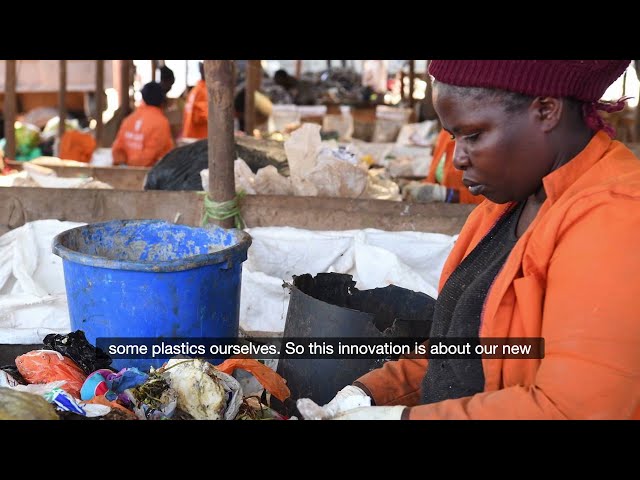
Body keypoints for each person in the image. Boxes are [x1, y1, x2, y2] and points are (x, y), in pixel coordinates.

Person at [297, 60, 640, 420]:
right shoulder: (504, 208)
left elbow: (577, 408)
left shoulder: (615, 216)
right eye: (452, 136)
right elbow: (457, 351)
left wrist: (402, 418)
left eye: (473, 135)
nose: (458, 158)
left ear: (546, 110)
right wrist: (371, 394)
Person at [402, 128, 484, 204]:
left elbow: (490, 199)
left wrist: (446, 194)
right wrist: (422, 186)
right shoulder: (446, 132)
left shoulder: (484, 138)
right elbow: (434, 175)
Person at [111, 81, 174, 167]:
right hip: (148, 175)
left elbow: (117, 149)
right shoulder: (161, 123)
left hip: (126, 173)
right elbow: (149, 157)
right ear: (162, 101)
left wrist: (125, 168)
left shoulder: (129, 119)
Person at [181, 62, 208, 139]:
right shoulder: (204, 91)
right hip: (198, 138)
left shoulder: (196, 89)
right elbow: (204, 116)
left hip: (189, 134)